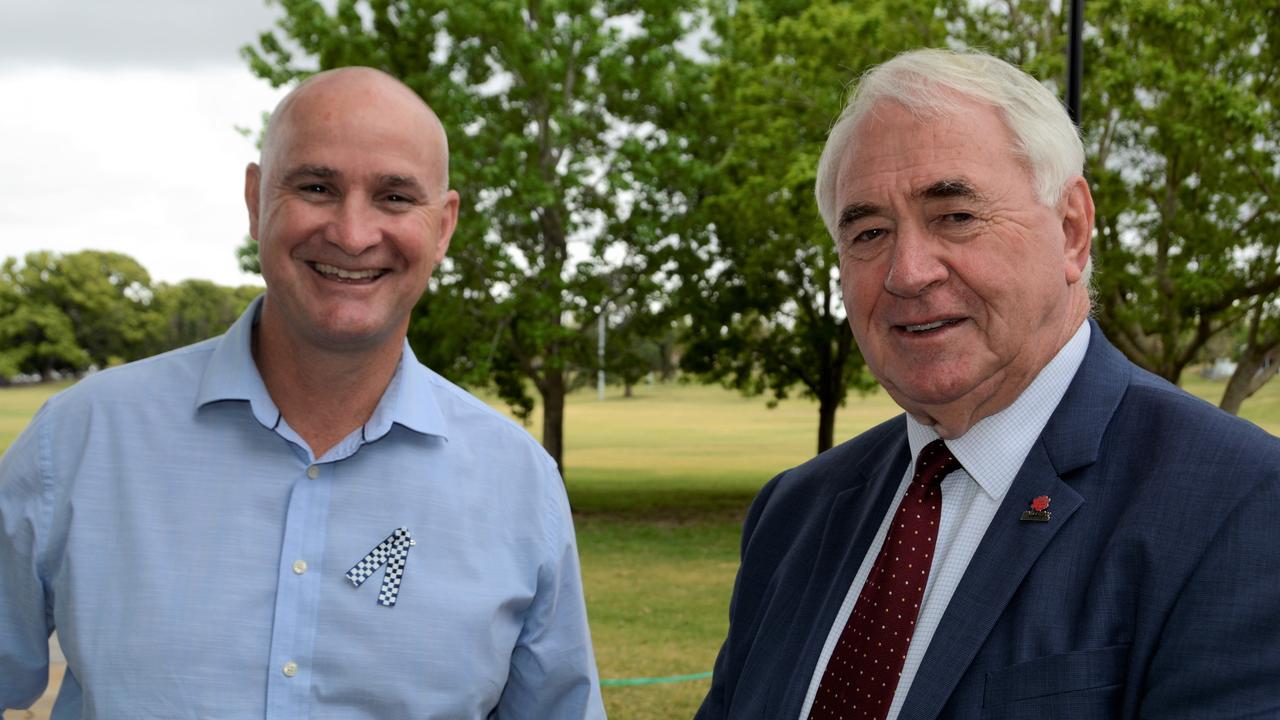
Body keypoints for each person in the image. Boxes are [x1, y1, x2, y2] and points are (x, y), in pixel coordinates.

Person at [0, 67, 605, 719]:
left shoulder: (517, 485)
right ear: (256, 199)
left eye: (395, 198)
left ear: (444, 227)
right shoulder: (80, 442)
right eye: (317, 187)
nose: (351, 233)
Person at [697, 48, 1280, 720]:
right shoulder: (794, 513)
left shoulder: (1237, 505)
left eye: (955, 216)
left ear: (1071, 231)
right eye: (869, 232)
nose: (908, 272)